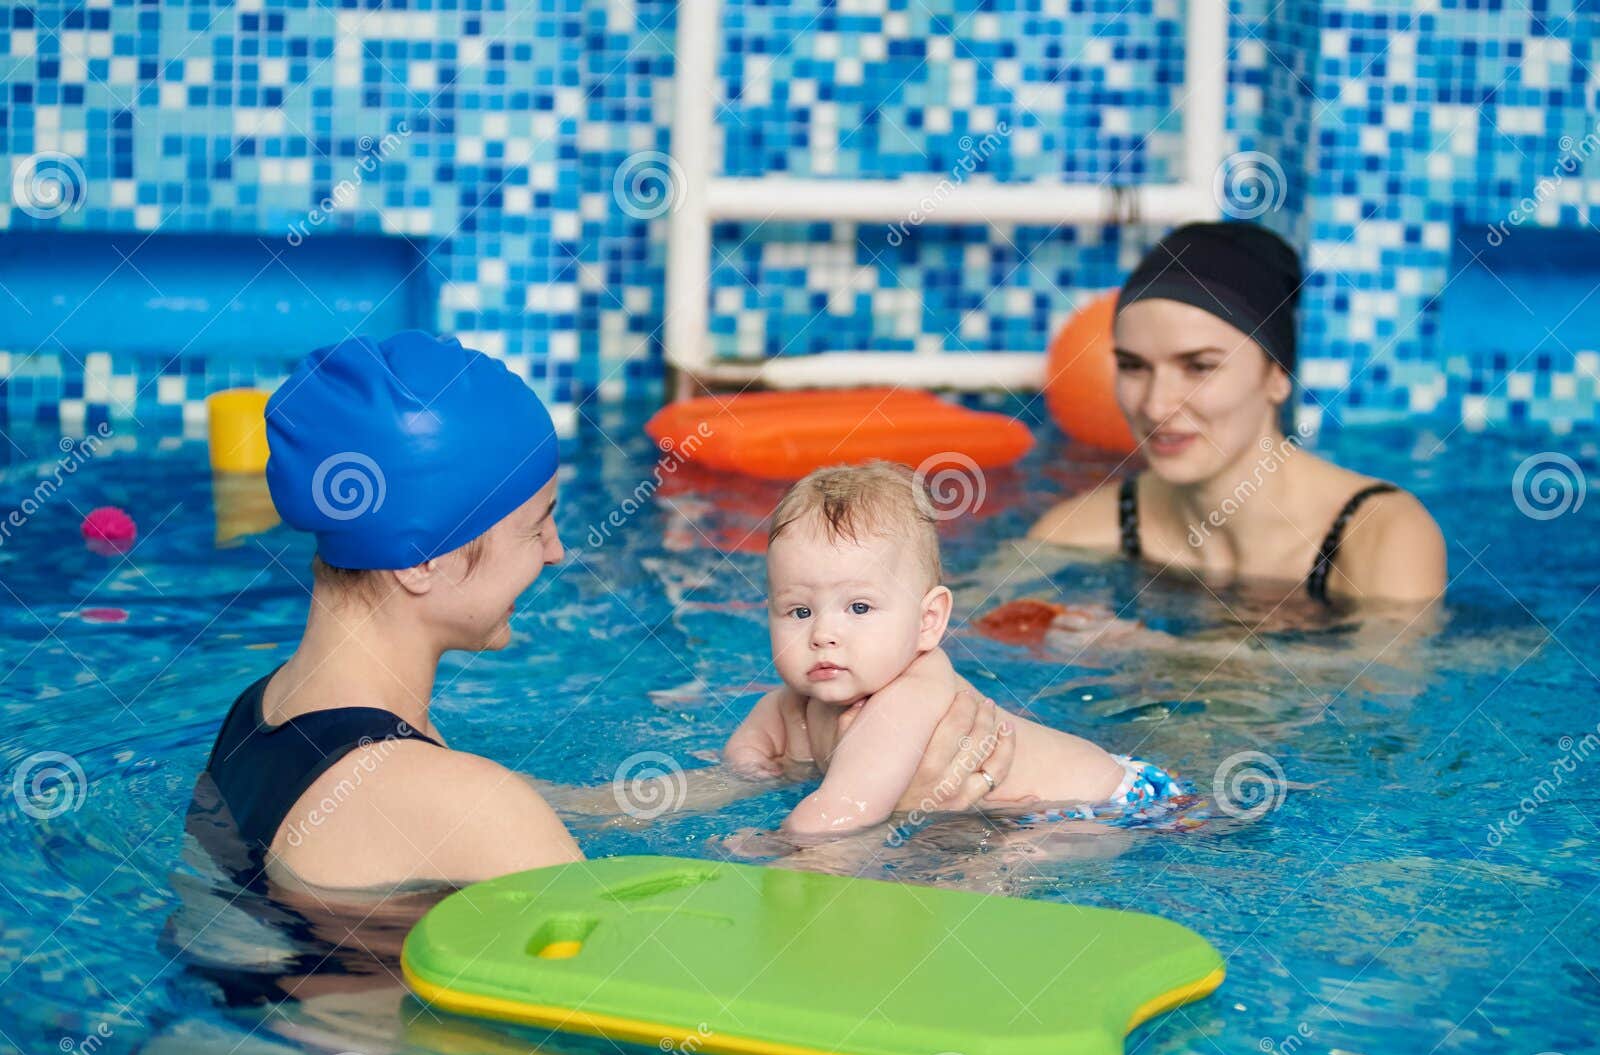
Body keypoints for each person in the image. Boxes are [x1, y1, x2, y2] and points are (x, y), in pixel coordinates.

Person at [188, 332, 1016, 905]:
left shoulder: (265, 713)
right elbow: (657, 993)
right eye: (535, 523)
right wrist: (942, 852)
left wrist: (753, 779)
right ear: (420, 559)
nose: (554, 551)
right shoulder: (466, 805)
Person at [724, 462, 1183, 836]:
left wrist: (772, 850)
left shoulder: (910, 696)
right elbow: (746, 760)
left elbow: (846, 813)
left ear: (928, 622)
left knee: (993, 872)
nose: (822, 633)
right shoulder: (793, 705)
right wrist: (748, 764)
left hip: (1112, 806)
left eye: (859, 607)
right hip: (1035, 808)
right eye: (799, 612)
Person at [1029, 222, 1446, 609]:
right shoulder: (1075, 533)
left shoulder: (1382, 537)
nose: (1156, 406)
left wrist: (1155, 652)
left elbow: (1386, 680)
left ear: (1277, 376)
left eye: (1199, 367)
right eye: (1134, 366)